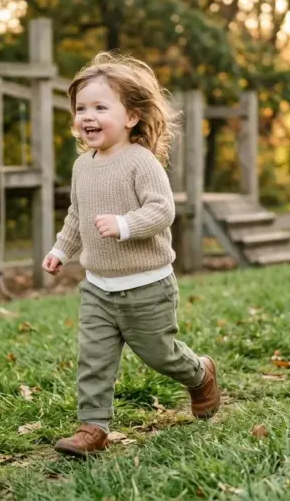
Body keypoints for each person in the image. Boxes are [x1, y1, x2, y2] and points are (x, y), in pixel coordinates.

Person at [42, 51, 220, 458]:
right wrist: (60, 249)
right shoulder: (82, 167)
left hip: (147, 287)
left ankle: (200, 374)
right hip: (98, 289)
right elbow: (76, 214)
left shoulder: (140, 162)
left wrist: (124, 225)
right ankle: (93, 427)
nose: (87, 116)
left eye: (100, 107)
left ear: (131, 117)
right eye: (81, 108)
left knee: (162, 355)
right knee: (94, 359)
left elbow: (162, 210)